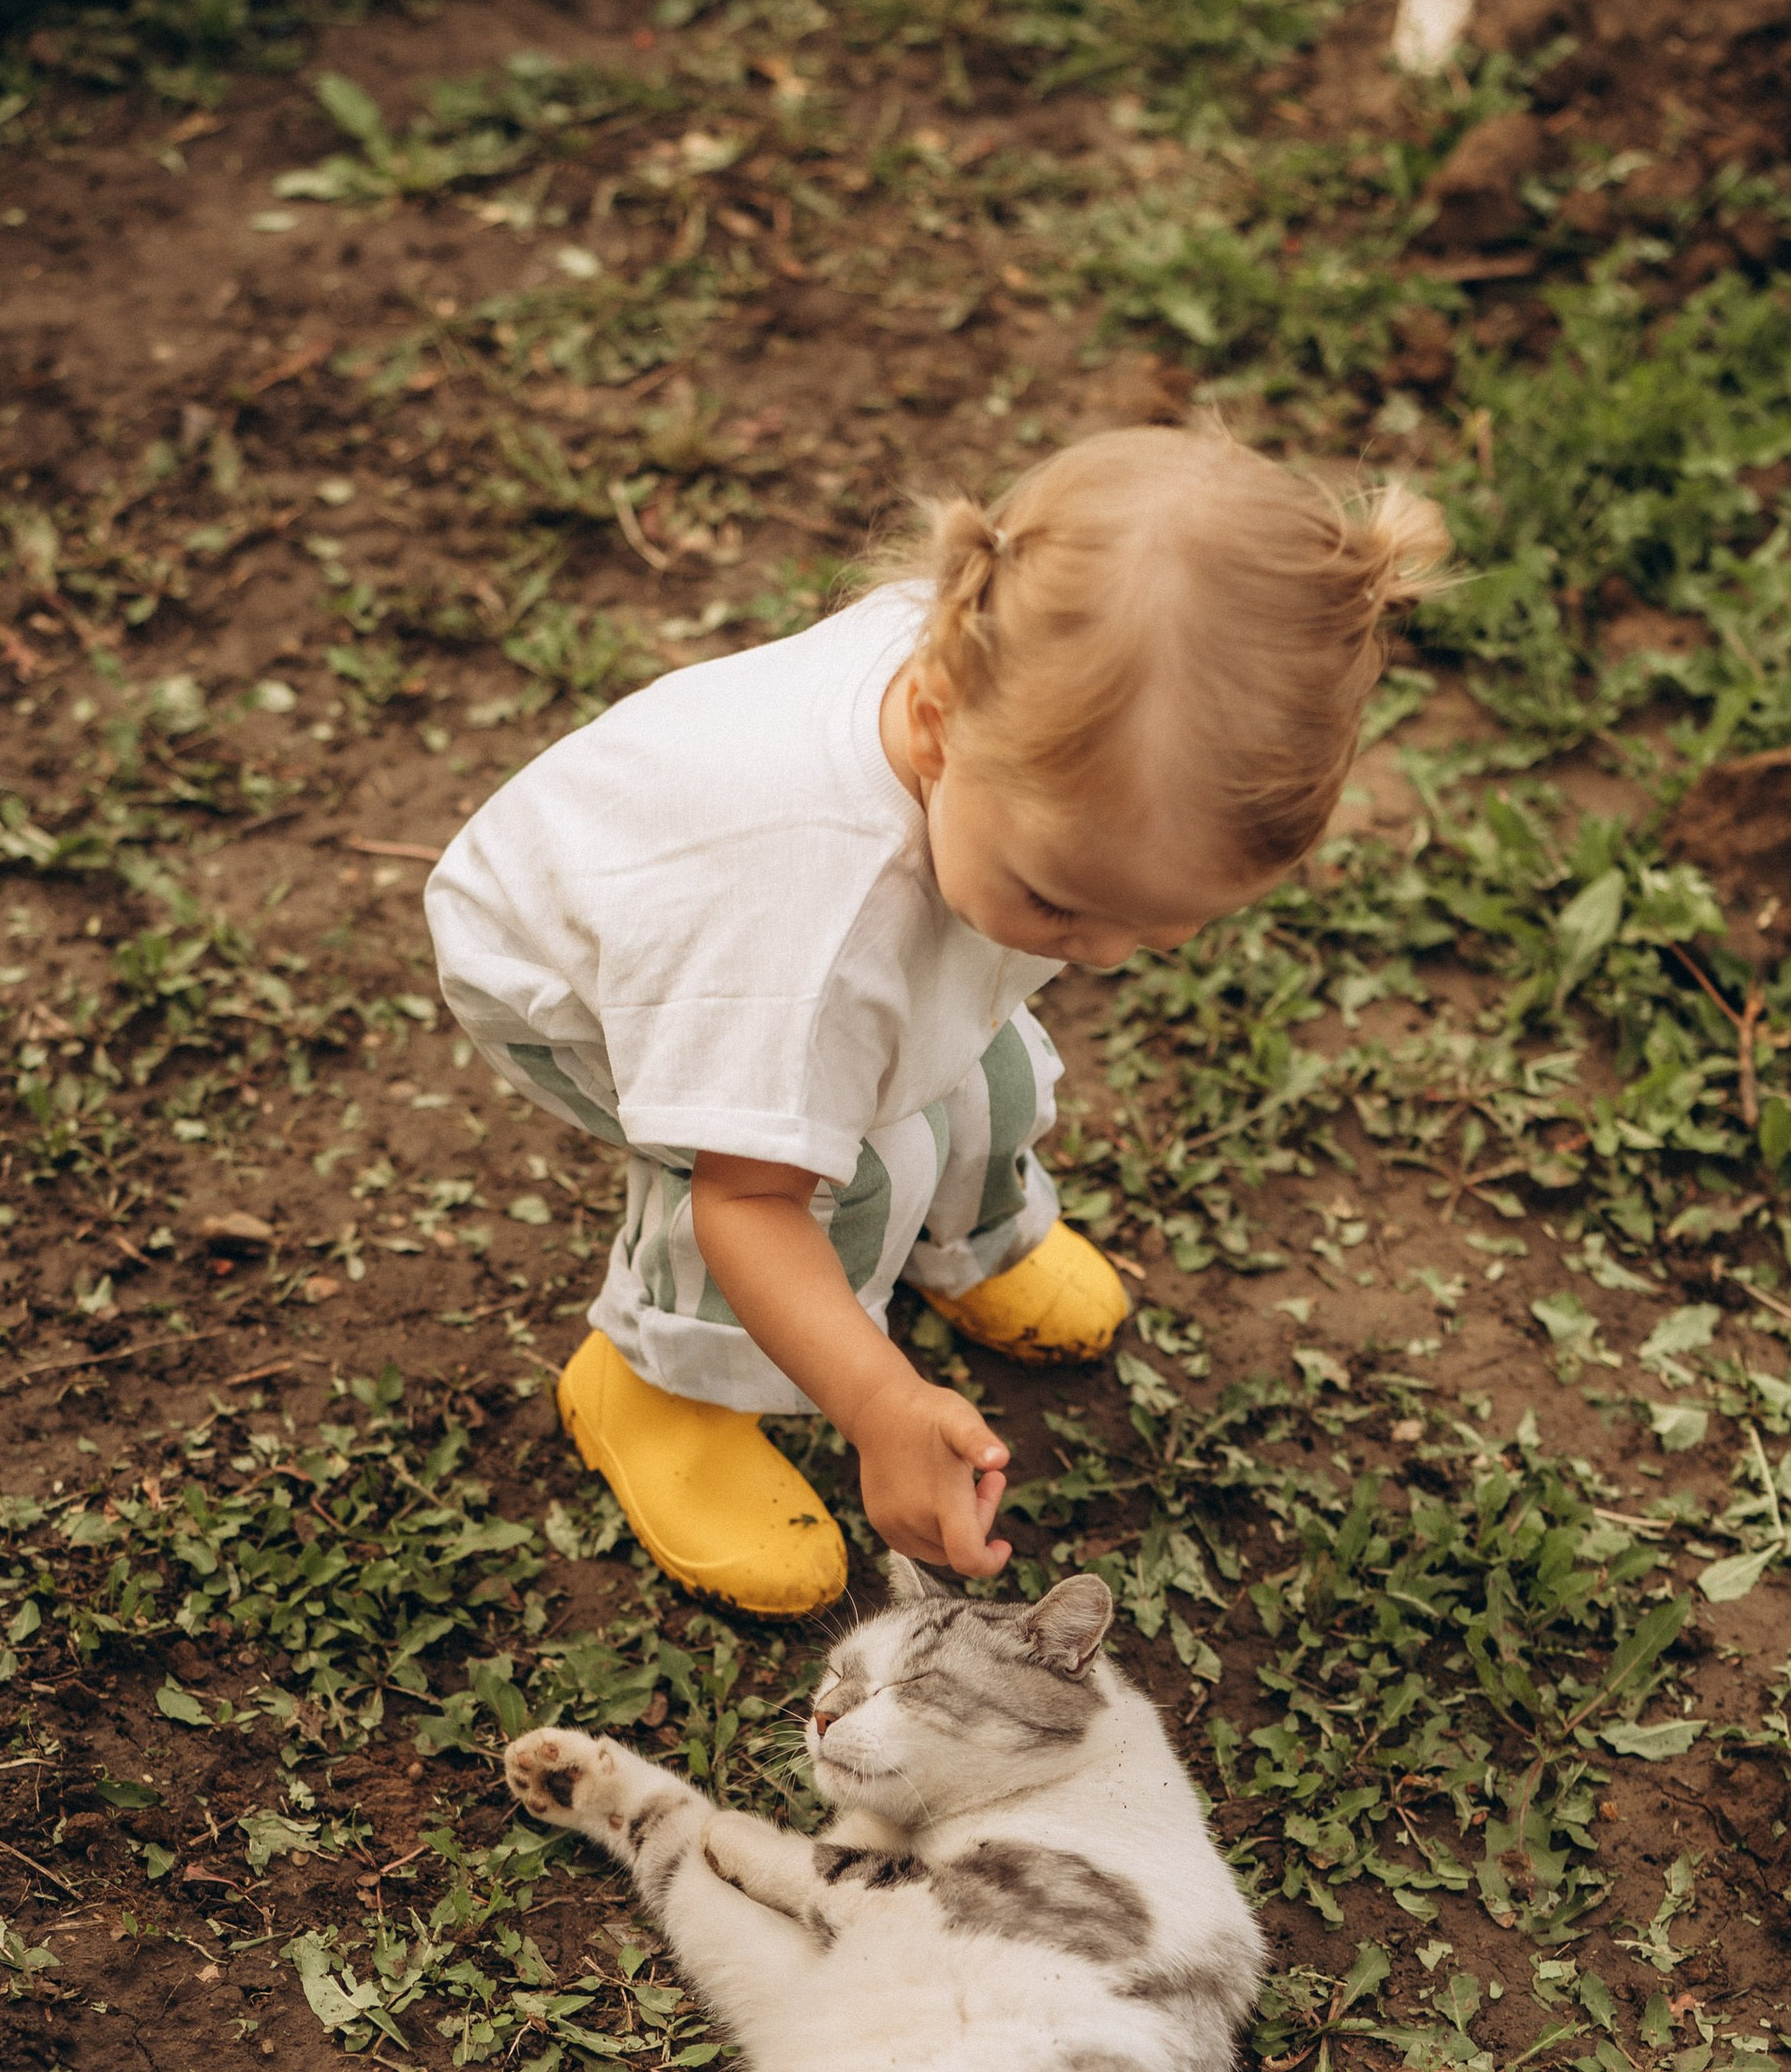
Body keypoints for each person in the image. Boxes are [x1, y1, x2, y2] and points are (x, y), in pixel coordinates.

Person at [424, 421, 1449, 1618]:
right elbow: (747, 1198)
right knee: (842, 1176)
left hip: (808, 931)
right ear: (933, 721)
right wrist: (883, 1407)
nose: (1106, 954)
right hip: (592, 974)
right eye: (1066, 904)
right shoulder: (799, 924)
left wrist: (1036, 907)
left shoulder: (1019, 658)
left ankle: (972, 1240)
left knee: (988, 1067)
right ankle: (659, 1383)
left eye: (1157, 924)